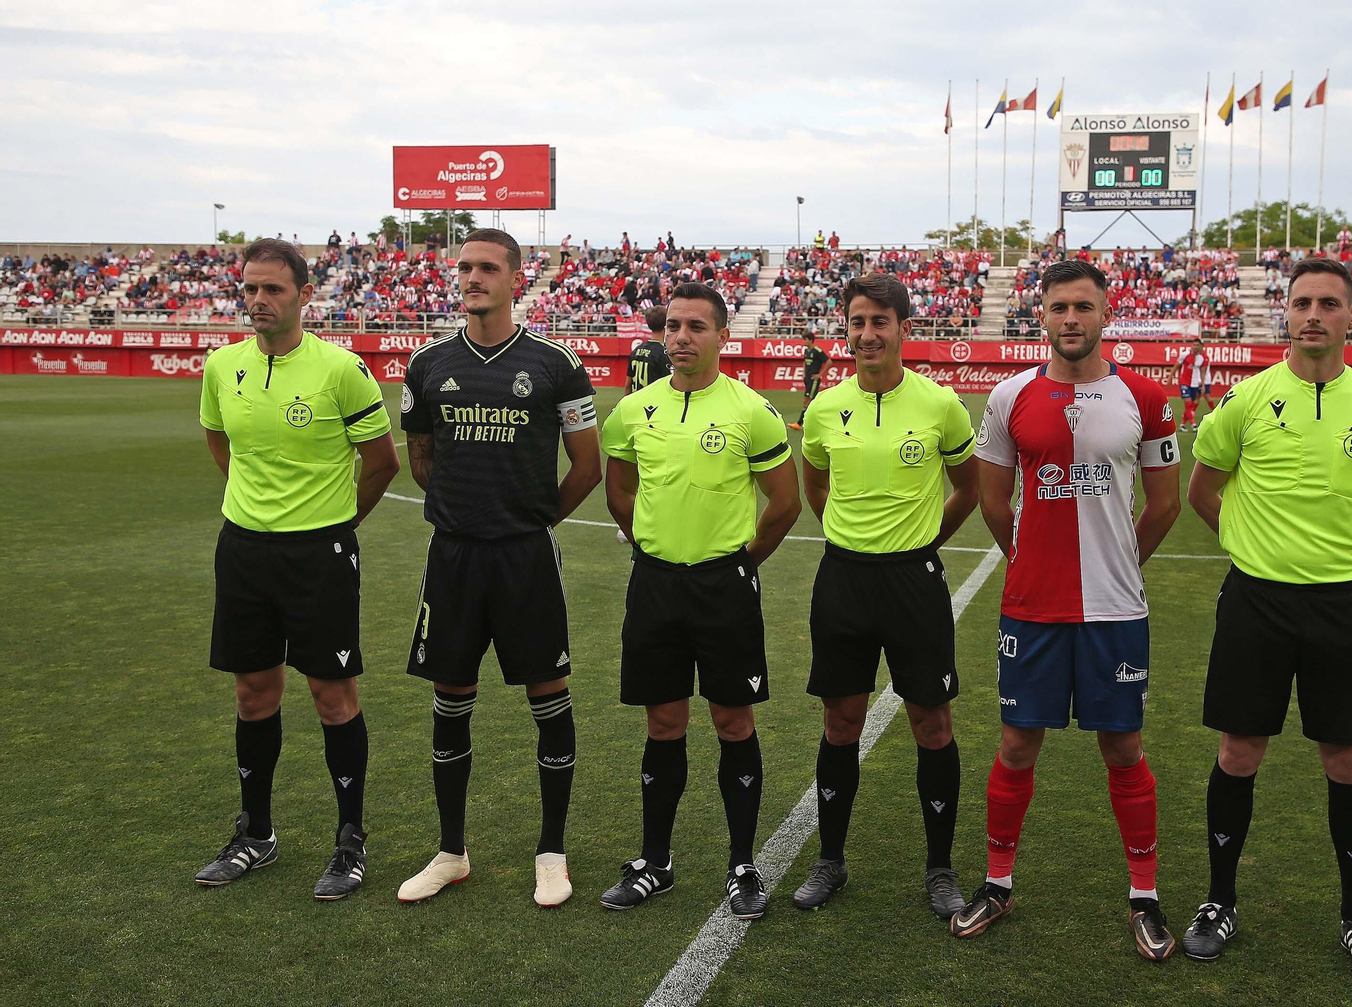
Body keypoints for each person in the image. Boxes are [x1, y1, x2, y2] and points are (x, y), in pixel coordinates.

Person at [1183, 258, 1352, 982]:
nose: (1313, 313)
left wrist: (1347, 554)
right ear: (1283, 314)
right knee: (1238, 751)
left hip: (1342, 604)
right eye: (1301, 302)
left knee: (1347, 759)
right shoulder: (1247, 398)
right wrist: (1249, 547)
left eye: (1328, 302)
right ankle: (1219, 900)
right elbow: (1203, 491)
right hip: (1255, 601)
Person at [950, 260, 1182, 960]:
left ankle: (1144, 895)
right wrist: (1026, 559)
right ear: (1041, 315)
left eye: (1084, 306)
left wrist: (1120, 564)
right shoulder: (1009, 394)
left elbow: (1165, 502)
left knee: (1123, 748)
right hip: (1033, 609)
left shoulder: (1146, 395)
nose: (1071, 318)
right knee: (1017, 745)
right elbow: (994, 501)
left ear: (1107, 312)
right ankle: (997, 883)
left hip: (1116, 612)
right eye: (1059, 307)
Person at [394, 229, 603, 907]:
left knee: (549, 696)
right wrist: (463, 508)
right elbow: (421, 456)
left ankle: (552, 851)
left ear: (517, 277)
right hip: (453, 557)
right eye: (465, 267)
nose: (472, 277)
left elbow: (588, 465)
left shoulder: (556, 364)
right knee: (451, 699)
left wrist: (533, 519)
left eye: (487, 267)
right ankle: (451, 852)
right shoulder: (427, 363)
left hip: (525, 558)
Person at [193, 238, 400, 898]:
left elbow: (382, 462)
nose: (259, 300)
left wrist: (333, 523)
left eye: (273, 289)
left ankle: (350, 840)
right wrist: (257, 506)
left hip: (321, 553)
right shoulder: (222, 365)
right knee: (254, 692)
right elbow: (219, 438)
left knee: (331, 695)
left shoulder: (341, 370)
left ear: (305, 295)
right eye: (250, 288)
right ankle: (256, 833)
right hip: (245, 550)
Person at [598, 282, 801, 919]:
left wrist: (739, 565)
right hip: (655, 585)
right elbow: (619, 494)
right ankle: (654, 863)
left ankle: (742, 865)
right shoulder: (634, 410)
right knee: (664, 724)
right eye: (674, 326)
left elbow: (785, 504)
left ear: (721, 337)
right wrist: (652, 549)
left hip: (724, 587)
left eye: (696, 327)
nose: (681, 338)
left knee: (733, 722)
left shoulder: (752, 411)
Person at [794, 272, 980, 920]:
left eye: (880, 321)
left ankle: (939, 868)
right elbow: (815, 485)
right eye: (857, 321)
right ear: (845, 328)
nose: (867, 333)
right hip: (843, 579)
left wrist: (925, 540)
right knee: (840, 721)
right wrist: (850, 537)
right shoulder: (823, 408)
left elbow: (968, 487)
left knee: (933, 722)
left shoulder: (940, 405)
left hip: (913, 580)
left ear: (904, 328)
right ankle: (831, 859)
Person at [786, 331, 829, 431]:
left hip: (814, 379)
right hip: (808, 379)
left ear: (811, 340)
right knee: (811, 401)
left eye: (805, 339)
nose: (803, 341)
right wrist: (804, 372)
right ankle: (815, 422)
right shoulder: (806, 351)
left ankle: (799, 423)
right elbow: (805, 362)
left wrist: (820, 375)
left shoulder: (817, 351)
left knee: (808, 400)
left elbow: (829, 362)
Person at [626, 307, 672, 394]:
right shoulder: (663, 353)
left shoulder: (636, 350)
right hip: (653, 403)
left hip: (636, 401)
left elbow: (628, 385)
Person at [1177, 338, 1209, 431]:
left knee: (1190, 405)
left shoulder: (1202, 358)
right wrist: (1170, 377)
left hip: (1195, 384)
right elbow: (1176, 366)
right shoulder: (1185, 354)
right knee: (1188, 404)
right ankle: (1193, 424)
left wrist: (1203, 385)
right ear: (1192, 345)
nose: (1195, 347)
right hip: (1184, 382)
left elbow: (1203, 372)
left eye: (1197, 345)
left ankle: (1182, 424)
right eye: (1194, 345)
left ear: (1200, 347)